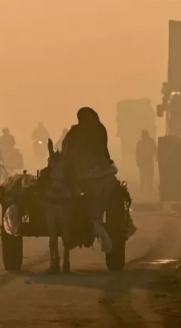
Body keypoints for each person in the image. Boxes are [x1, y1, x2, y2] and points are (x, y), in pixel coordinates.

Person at [61, 107, 114, 252]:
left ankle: (95, 219)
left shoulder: (98, 131)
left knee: (104, 188)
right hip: (74, 171)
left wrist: (93, 165)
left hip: (96, 170)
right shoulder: (74, 132)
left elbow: (101, 150)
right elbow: (66, 149)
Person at [136, 130, 157, 194]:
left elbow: (155, 151)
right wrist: (138, 161)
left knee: (148, 177)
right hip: (145, 163)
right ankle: (145, 190)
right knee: (144, 177)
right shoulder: (149, 142)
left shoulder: (147, 142)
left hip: (147, 163)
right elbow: (137, 153)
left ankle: (148, 190)